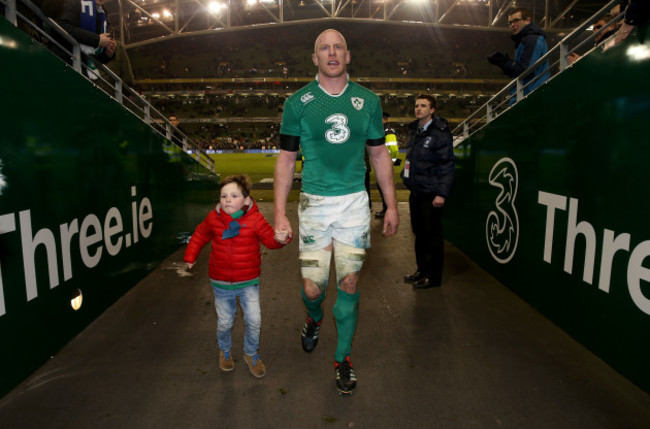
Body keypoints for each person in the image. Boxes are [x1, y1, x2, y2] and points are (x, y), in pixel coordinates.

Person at [273, 29, 399, 396]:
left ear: (348, 55)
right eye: (323, 48)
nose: (331, 53)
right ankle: (313, 318)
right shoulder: (297, 103)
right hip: (313, 204)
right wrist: (280, 213)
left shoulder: (368, 101)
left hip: (354, 205)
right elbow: (286, 159)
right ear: (315, 58)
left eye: (338, 47)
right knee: (313, 288)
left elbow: (378, 155)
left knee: (349, 282)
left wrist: (391, 205)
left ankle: (342, 358)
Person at [184, 175, 291, 378]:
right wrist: (190, 255)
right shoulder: (213, 219)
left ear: (247, 200)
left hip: (248, 282)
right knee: (225, 322)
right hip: (221, 283)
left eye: (234, 195)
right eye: (223, 196)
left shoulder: (255, 220)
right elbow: (200, 235)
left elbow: (270, 240)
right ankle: (224, 351)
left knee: (254, 320)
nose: (227, 200)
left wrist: (282, 238)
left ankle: (251, 353)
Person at [401, 95, 455, 289]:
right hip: (416, 192)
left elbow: (447, 166)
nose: (418, 108)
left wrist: (441, 194)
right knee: (419, 234)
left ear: (432, 110)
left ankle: (433, 277)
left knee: (432, 236)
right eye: (416, 105)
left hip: (431, 193)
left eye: (423, 105)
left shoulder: (439, 133)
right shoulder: (416, 131)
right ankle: (421, 270)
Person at [56, 0, 134, 86]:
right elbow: (62, 27)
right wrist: (97, 40)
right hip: (64, 63)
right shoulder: (72, 2)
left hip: (86, 72)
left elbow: (95, 57)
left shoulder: (102, 12)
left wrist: (107, 53)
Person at [487, 7, 550, 98]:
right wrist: (504, 63)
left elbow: (524, 70)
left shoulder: (532, 39)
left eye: (516, 20)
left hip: (531, 94)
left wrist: (505, 62)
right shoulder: (523, 40)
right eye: (510, 23)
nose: (512, 25)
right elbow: (520, 70)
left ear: (528, 20)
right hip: (526, 93)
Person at [375, 112, 401, 218]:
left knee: (384, 188)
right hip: (383, 164)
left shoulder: (387, 130)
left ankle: (387, 211)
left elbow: (393, 148)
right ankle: (387, 209)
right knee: (384, 187)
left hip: (385, 165)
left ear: (385, 119)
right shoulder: (384, 129)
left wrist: (392, 161)